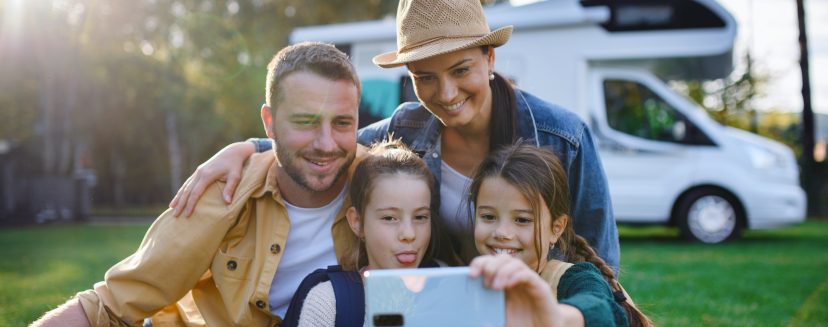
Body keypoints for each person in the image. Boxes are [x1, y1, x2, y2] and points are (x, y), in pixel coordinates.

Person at [170, 0, 620, 272]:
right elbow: (333, 144)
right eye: (425, 78)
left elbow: (601, 266)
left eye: (461, 70)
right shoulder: (404, 128)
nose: (445, 94)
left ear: (489, 57)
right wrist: (248, 147)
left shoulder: (563, 138)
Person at [32, 42, 366, 327]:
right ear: (270, 123)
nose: (326, 143)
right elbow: (109, 304)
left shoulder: (383, 183)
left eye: (342, 123)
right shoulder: (221, 191)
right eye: (305, 122)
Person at [468, 143, 653, 327]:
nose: (501, 233)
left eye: (522, 220)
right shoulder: (463, 283)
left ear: (556, 228)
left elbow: (601, 307)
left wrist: (557, 317)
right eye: (488, 217)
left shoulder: (574, 278)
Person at [280, 139, 438, 327]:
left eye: (420, 217)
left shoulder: (448, 297)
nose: (409, 234)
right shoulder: (328, 303)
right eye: (389, 218)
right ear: (357, 222)